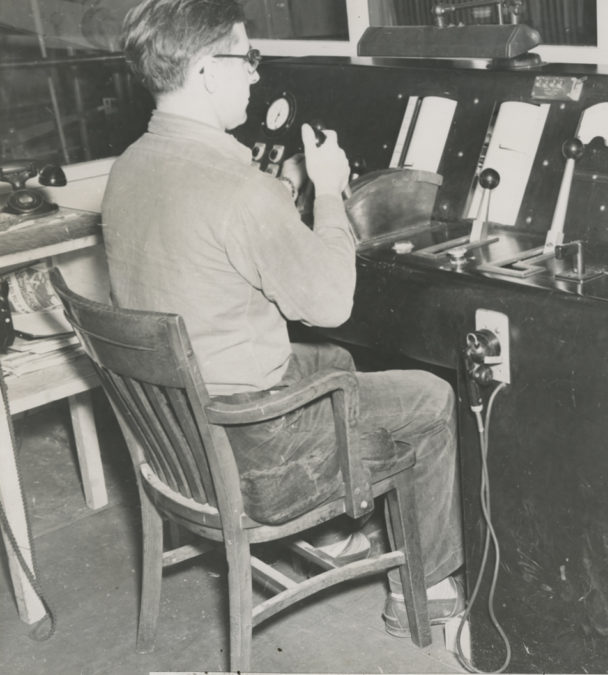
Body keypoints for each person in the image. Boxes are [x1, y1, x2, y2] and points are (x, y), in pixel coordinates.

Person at [102, 0, 464, 637]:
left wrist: (282, 196)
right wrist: (326, 189)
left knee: (340, 363)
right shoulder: (240, 189)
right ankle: (426, 588)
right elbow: (329, 304)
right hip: (253, 451)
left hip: (178, 437)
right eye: (248, 59)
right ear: (210, 71)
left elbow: (212, 240)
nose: (256, 75)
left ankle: (342, 527)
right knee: (431, 398)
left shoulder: (129, 167)